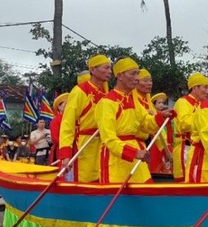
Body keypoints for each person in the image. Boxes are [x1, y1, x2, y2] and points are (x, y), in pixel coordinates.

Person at [96, 58, 175, 184]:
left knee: (147, 192)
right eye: (133, 74)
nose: (137, 78)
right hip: (116, 161)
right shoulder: (107, 102)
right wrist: (133, 152)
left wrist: (161, 117)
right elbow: (108, 139)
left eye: (138, 74)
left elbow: (146, 123)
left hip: (137, 156)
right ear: (120, 76)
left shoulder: (133, 100)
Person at [58, 54, 112, 182]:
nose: (110, 72)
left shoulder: (106, 93)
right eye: (106, 68)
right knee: (86, 180)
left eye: (110, 68)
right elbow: (67, 123)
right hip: (84, 144)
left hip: (104, 143)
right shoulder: (80, 91)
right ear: (92, 70)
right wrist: (65, 154)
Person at [172, 72, 208, 182]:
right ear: (194, 88)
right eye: (205, 87)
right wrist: (202, 116)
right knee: (186, 181)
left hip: (198, 148)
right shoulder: (183, 102)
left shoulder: (201, 104)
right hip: (185, 148)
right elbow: (184, 124)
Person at [148, 92, 174, 173]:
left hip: (164, 141)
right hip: (156, 141)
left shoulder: (164, 114)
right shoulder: (152, 114)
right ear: (154, 104)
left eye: (162, 103)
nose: (161, 105)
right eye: (159, 103)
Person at [49, 92, 69, 165]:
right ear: (59, 107)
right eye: (66, 104)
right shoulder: (56, 120)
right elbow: (54, 138)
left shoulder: (72, 119)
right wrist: (68, 142)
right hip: (61, 150)